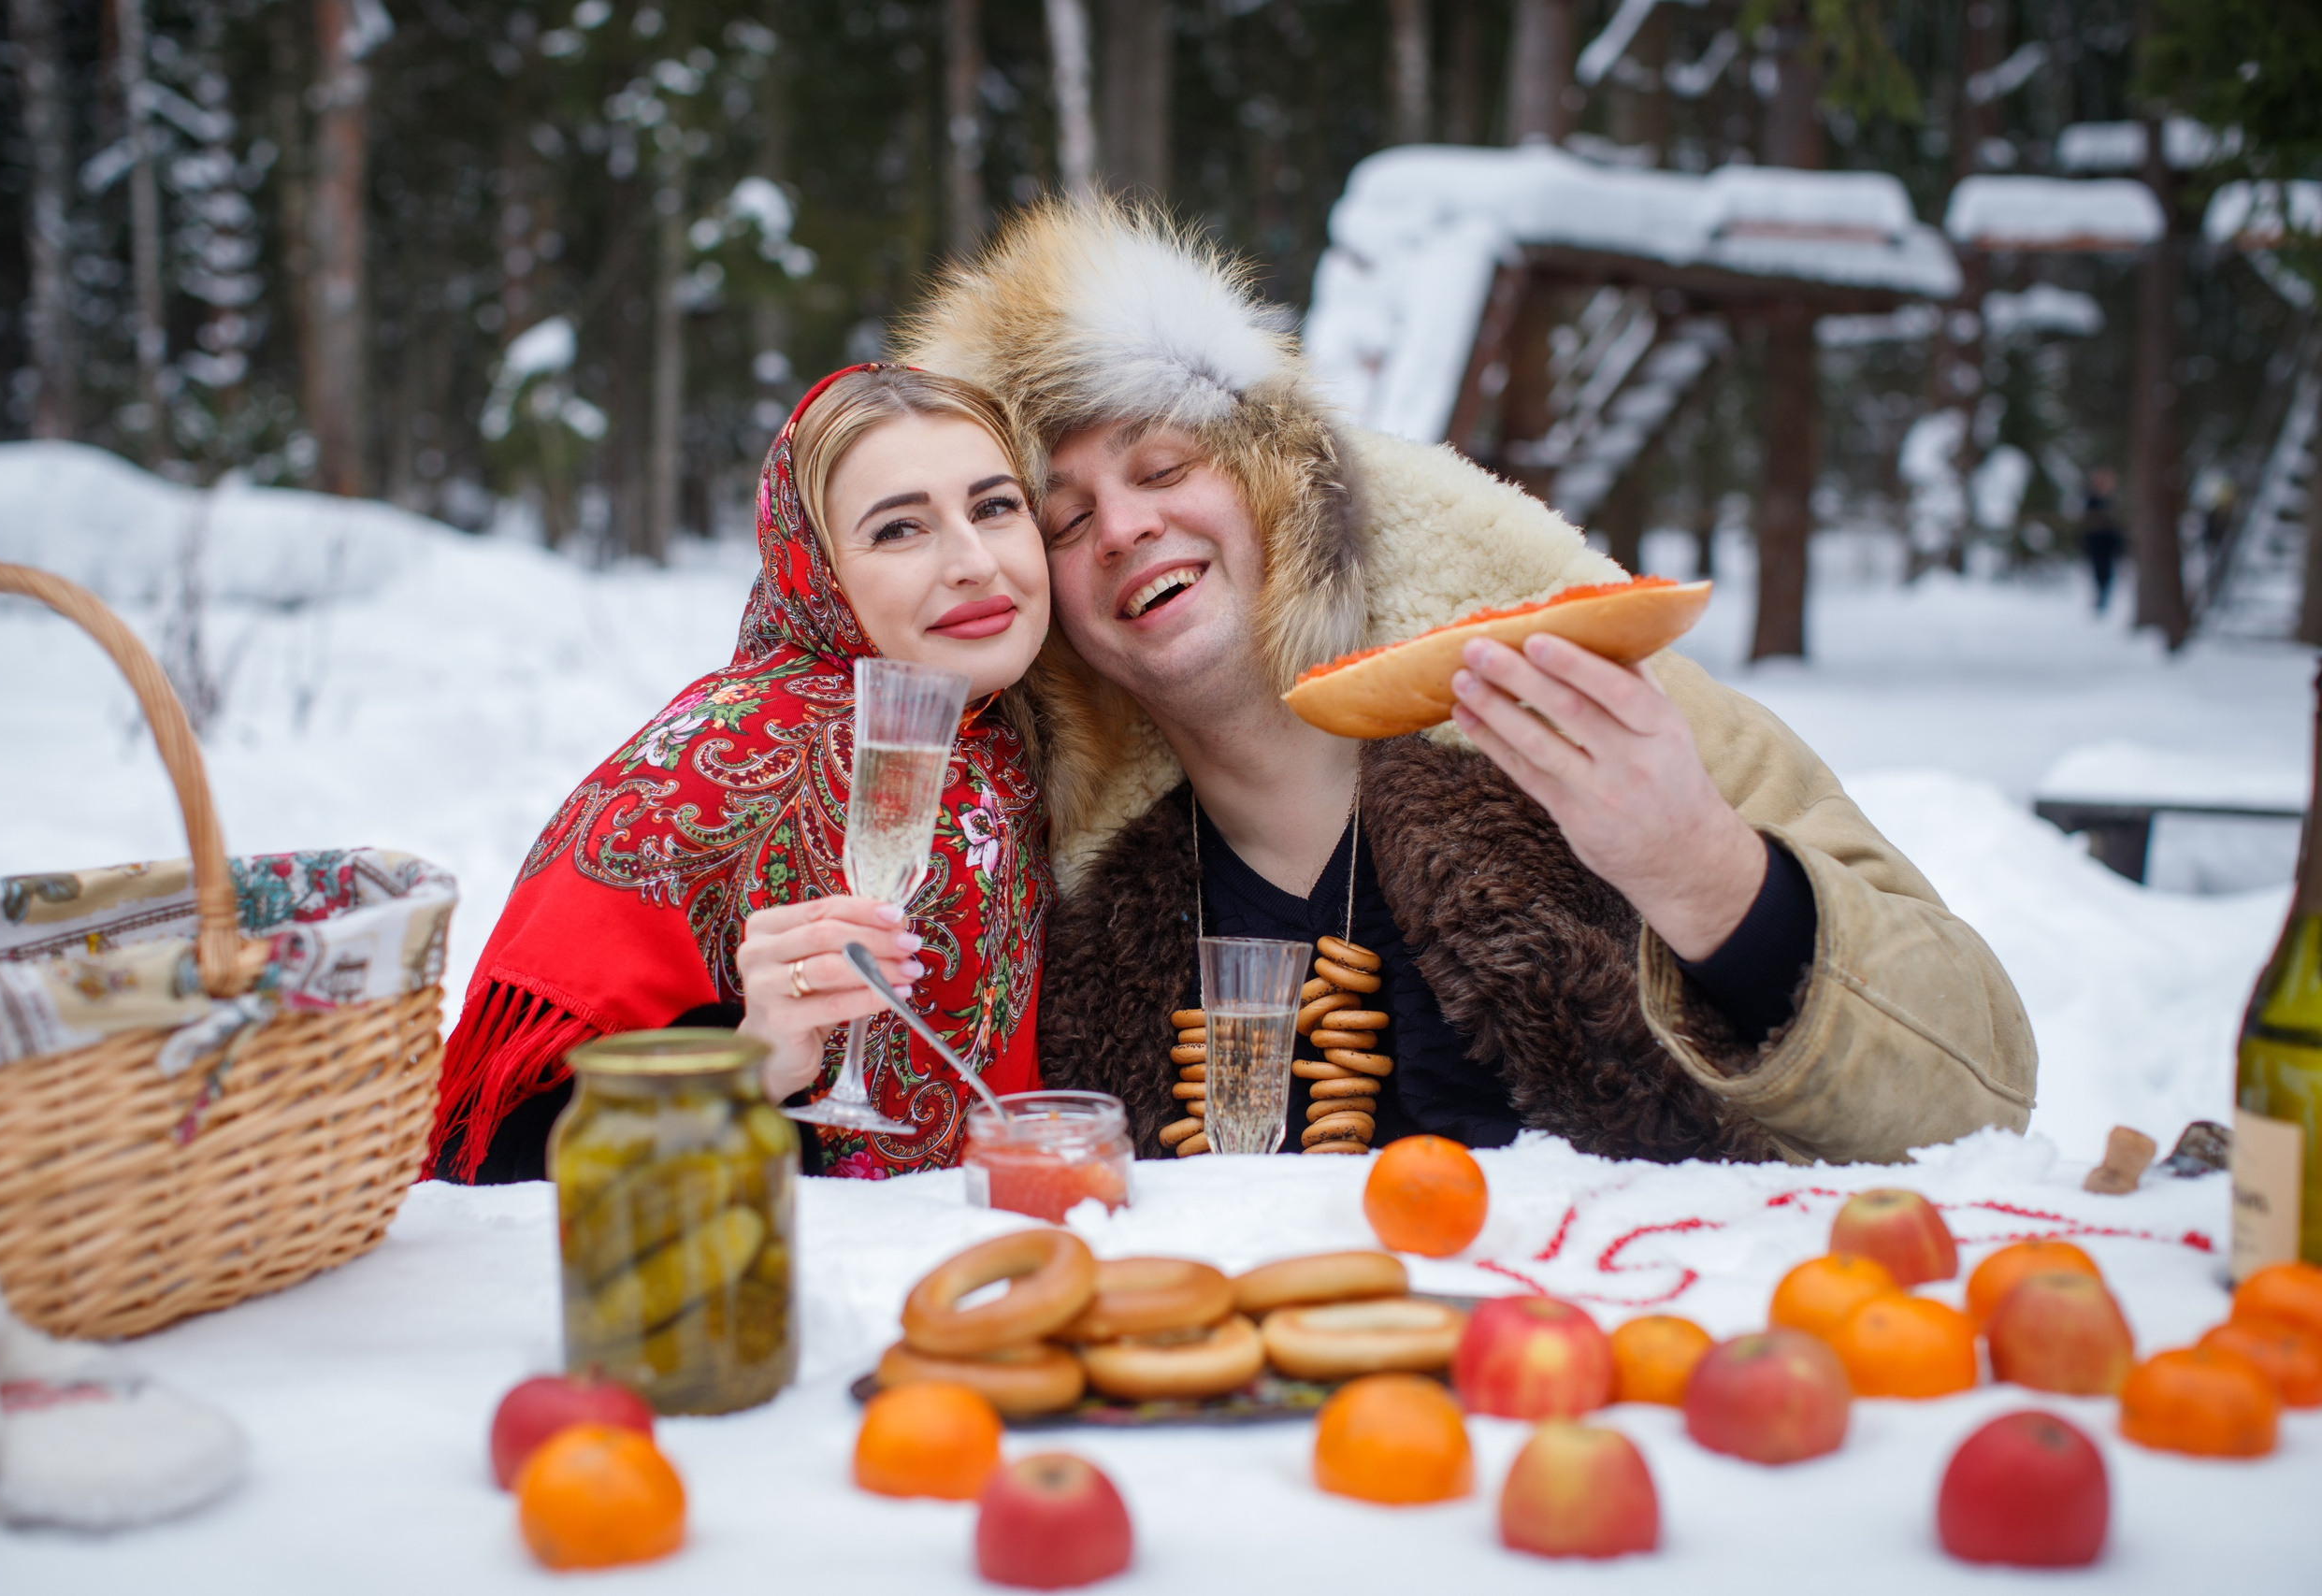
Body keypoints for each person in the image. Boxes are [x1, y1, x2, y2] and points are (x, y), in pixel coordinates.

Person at [895, 200, 2035, 1167]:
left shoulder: (1575, 703)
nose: (1124, 527)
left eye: (1162, 467)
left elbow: (1979, 1089)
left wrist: (1706, 875)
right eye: (1064, 518)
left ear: (1273, 486)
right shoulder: (1041, 879)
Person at [430, 366, 1053, 1182]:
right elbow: (489, 1156)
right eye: (900, 528)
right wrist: (750, 1062)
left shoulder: (1020, 744)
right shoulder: (717, 763)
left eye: (994, 506)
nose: (974, 560)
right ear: (813, 569)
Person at [2081, 467, 2126, 613]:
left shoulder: (2112, 500)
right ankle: (2101, 596)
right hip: (2095, 540)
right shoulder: (2091, 499)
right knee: (2098, 569)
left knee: (2107, 570)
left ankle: (2105, 596)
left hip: (2109, 541)